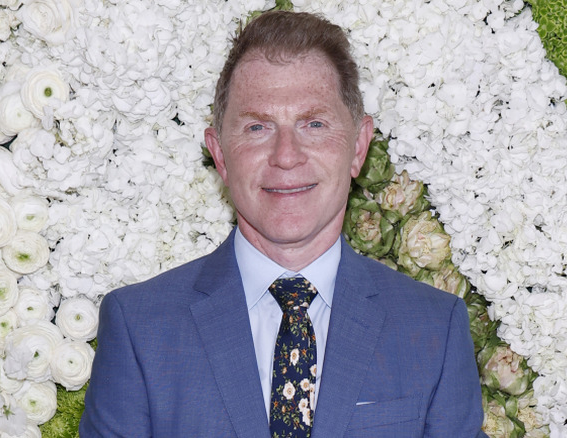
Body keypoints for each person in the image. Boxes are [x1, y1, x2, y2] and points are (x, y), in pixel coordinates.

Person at [80, 10, 486, 438]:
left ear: (359, 147)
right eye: (258, 126)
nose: (286, 155)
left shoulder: (433, 329)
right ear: (219, 153)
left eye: (314, 124)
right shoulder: (140, 329)